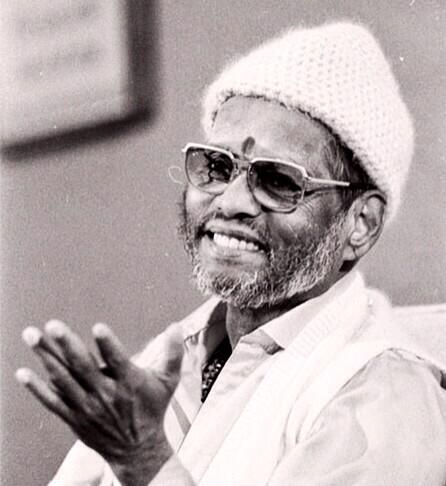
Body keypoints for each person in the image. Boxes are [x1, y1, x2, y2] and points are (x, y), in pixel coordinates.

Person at [16, 21, 446, 486]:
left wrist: (143, 459)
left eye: (278, 180)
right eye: (218, 167)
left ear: (361, 223)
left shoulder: (384, 394)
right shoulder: (173, 358)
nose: (231, 202)